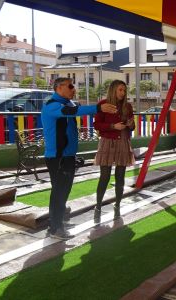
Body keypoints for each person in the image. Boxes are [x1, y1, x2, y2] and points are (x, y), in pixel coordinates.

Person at [41, 77, 117, 240]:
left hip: (67, 156)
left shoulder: (69, 104)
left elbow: (76, 109)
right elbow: (72, 112)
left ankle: (56, 223)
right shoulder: (51, 105)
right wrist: (98, 107)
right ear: (59, 88)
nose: (73, 89)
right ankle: (55, 228)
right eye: (70, 86)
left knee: (63, 191)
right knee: (59, 192)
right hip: (58, 157)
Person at [93, 80, 135, 221]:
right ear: (113, 90)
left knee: (120, 177)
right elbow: (97, 124)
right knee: (104, 177)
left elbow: (132, 126)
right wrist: (113, 126)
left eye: (124, 90)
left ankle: (117, 206)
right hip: (107, 142)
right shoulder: (103, 104)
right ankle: (98, 206)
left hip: (123, 141)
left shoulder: (127, 106)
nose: (123, 93)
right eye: (120, 90)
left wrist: (130, 124)